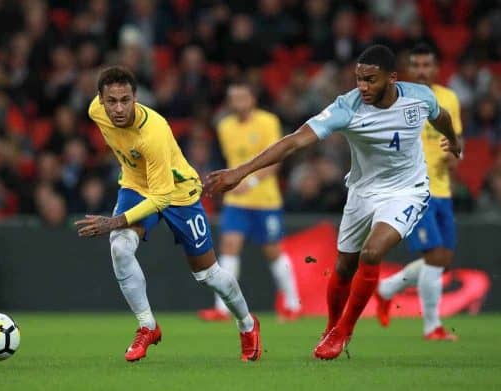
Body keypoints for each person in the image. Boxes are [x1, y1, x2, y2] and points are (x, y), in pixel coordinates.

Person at [204, 45, 461, 360]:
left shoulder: (419, 98)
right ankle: (330, 326)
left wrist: (456, 143)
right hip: (362, 192)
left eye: (371, 80)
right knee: (343, 266)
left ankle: (344, 331)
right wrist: (241, 172)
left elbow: (443, 117)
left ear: (392, 78)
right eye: (358, 79)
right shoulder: (347, 107)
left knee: (372, 252)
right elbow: (296, 140)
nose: (362, 87)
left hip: (407, 190)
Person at [76, 67, 261, 362]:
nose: (119, 108)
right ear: (100, 100)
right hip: (136, 186)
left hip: (177, 193)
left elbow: (161, 197)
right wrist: (118, 226)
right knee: (120, 247)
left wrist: (115, 221)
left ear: (136, 98)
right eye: (112, 101)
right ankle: (147, 326)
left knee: (209, 275)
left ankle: (247, 325)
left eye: (126, 100)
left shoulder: (154, 132)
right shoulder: (95, 112)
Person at [376, 44, 463, 341]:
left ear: (437, 68)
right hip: (414, 189)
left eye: (427, 65)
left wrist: (454, 154)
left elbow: (454, 139)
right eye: (417, 65)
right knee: (435, 256)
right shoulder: (398, 98)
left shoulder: (449, 98)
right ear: (408, 69)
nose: (422, 70)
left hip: (443, 190)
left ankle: (387, 288)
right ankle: (432, 326)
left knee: (442, 260)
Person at [198, 81, 302, 322]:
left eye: (243, 97)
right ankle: (222, 309)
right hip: (236, 201)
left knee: (273, 252)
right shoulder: (224, 126)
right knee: (229, 246)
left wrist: (251, 182)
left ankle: (292, 304)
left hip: (265, 200)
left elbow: (277, 160)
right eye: (234, 98)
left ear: (252, 99)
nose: (239, 102)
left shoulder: (268, 122)